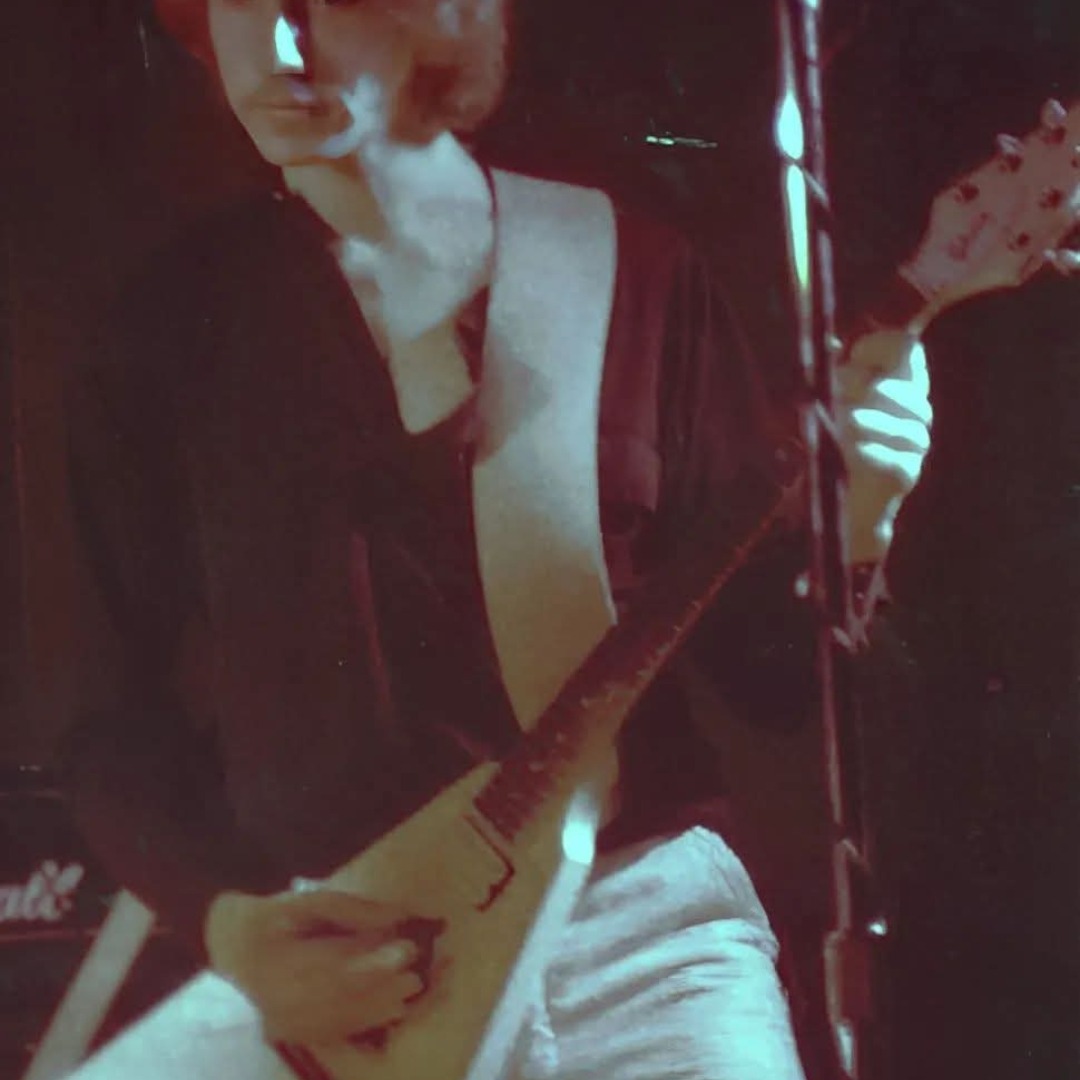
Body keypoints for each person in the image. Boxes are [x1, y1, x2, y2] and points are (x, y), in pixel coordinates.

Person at [58, 0, 932, 1077]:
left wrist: (863, 516)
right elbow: (105, 721)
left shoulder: (635, 271)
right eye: (243, 6)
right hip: (352, 982)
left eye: (324, 3)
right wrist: (232, 926)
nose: (279, 48)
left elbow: (771, 680)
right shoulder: (161, 335)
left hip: (641, 940)